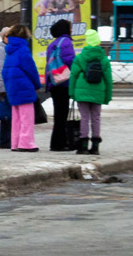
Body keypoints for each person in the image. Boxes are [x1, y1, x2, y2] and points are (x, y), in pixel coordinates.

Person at [70, 28, 112, 156]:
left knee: (84, 118)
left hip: (81, 92)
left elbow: (73, 76)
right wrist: (107, 96)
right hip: (98, 92)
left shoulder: (80, 58)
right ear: (98, 43)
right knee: (96, 118)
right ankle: (95, 146)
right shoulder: (104, 59)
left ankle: (83, 146)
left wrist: (72, 93)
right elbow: (108, 79)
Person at [3, 24, 42, 152]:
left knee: (16, 118)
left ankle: (15, 143)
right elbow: (31, 69)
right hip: (24, 87)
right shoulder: (23, 50)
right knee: (27, 117)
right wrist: (37, 85)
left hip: (12, 87)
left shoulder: (9, 51)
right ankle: (26, 143)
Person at [44, 18, 77, 152]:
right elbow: (70, 60)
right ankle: (59, 143)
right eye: (70, 27)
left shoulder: (53, 43)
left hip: (54, 81)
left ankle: (57, 142)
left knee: (59, 113)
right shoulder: (66, 42)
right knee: (62, 114)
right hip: (63, 82)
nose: (71, 30)